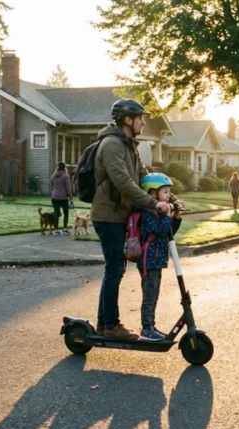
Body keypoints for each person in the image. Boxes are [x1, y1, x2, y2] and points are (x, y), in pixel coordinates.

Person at [91, 99, 175, 341]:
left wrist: (171, 199)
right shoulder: (111, 145)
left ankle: (101, 322)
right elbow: (124, 182)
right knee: (114, 269)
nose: (144, 122)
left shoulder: (130, 146)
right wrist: (154, 204)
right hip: (108, 217)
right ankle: (110, 325)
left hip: (120, 215)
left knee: (115, 268)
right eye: (140, 118)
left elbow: (144, 178)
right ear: (128, 120)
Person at [136, 173, 182, 340]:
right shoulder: (148, 212)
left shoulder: (159, 212)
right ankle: (146, 329)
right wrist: (167, 214)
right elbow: (160, 230)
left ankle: (151, 326)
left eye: (169, 192)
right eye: (165, 192)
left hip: (157, 259)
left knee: (154, 295)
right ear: (153, 194)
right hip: (149, 260)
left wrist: (175, 216)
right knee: (149, 296)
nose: (168, 196)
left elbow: (169, 233)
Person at [49, 161, 73, 235]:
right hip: (63, 198)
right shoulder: (66, 176)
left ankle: (56, 230)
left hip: (55, 197)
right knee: (66, 213)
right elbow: (68, 189)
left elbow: (52, 187)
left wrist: (53, 194)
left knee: (56, 213)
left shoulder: (53, 176)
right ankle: (64, 229)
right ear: (64, 168)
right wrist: (71, 198)